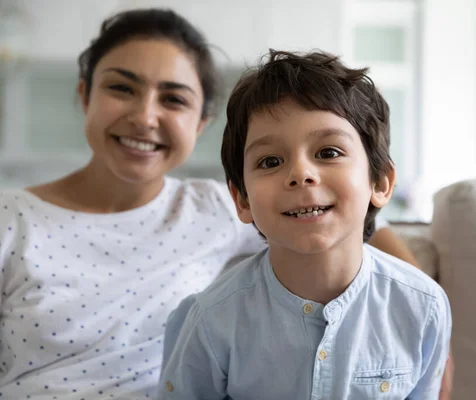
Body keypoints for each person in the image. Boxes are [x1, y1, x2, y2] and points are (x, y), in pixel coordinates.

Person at [0, 8, 449, 400]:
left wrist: (425, 327)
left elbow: (353, 228)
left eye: (174, 98)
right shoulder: (11, 220)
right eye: (122, 88)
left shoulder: (213, 205)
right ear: (84, 96)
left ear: (201, 123)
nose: (145, 116)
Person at [157, 50, 452, 399]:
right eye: (270, 161)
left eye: (328, 152)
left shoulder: (423, 306)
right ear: (242, 199)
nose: (300, 174)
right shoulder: (210, 320)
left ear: (380, 182)